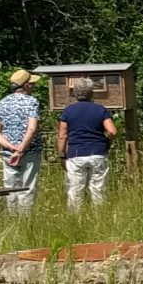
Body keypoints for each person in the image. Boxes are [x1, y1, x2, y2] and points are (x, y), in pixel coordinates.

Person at [55, 77, 118, 209]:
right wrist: (107, 143)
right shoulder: (100, 109)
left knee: (75, 190)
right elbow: (112, 131)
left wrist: (62, 154)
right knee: (98, 189)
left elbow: (62, 136)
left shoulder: (68, 111)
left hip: (76, 153)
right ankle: (99, 216)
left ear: (75, 93)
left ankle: (75, 219)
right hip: (97, 152)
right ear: (91, 93)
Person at [0, 68, 43, 213]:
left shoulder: (2, 103)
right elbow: (32, 129)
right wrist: (21, 149)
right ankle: (25, 222)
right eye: (31, 84)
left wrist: (11, 147)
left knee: (11, 188)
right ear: (25, 85)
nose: (33, 86)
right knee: (27, 188)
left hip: (8, 154)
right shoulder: (31, 102)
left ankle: (13, 219)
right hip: (30, 152)